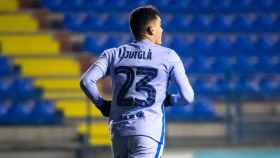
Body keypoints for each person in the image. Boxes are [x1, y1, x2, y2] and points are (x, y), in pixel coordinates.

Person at [80, 5, 194, 158]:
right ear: (151, 29)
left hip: (118, 131)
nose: (162, 30)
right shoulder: (168, 56)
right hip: (147, 131)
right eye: (160, 26)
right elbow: (188, 97)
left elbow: (87, 81)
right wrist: (168, 100)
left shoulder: (113, 53)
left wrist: (102, 105)